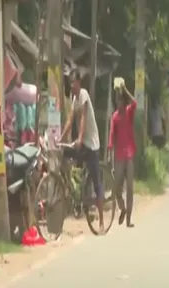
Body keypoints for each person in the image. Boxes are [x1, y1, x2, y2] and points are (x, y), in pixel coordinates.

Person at [60, 71, 105, 233]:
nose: (72, 86)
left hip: (91, 145)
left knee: (96, 181)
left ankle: (101, 221)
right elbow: (70, 119)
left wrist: (79, 138)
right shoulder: (74, 99)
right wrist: (60, 138)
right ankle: (73, 189)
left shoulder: (84, 94)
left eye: (74, 83)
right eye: (70, 83)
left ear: (79, 82)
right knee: (64, 153)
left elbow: (84, 117)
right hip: (81, 144)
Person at [108, 81, 136, 228]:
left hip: (130, 153)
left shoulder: (129, 111)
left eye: (120, 100)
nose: (119, 103)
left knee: (130, 188)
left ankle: (129, 219)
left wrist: (125, 89)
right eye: (117, 101)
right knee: (117, 188)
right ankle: (122, 208)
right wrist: (109, 148)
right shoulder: (115, 117)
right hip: (119, 156)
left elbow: (135, 102)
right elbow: (112, 134)